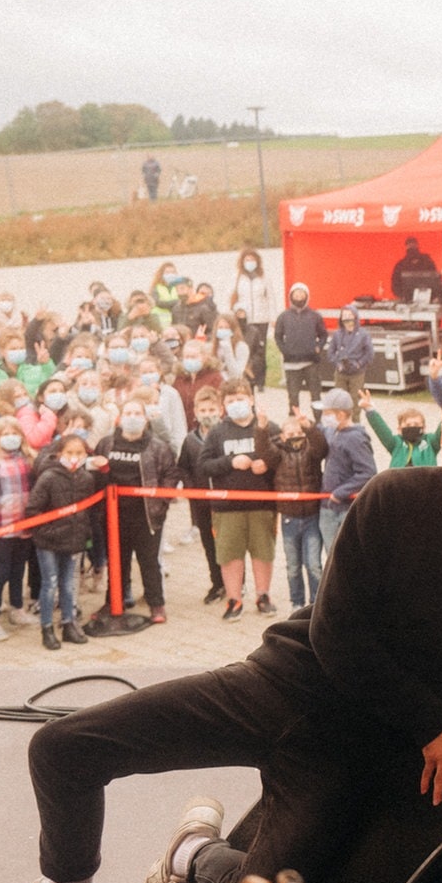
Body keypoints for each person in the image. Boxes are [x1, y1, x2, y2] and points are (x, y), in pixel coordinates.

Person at [0, 373, 442, 883]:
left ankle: (189, 855)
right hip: (278, 684)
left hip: (354, 745)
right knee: (62, 747)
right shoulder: (394, 496)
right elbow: (334, 632)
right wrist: (433, 722)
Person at [198, 379, 282, 620]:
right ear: (223, 405)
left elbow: (283, 458)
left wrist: (267, 464)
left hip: (263, 504)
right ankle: (234, 600)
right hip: (227, 508)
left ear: (251, 400)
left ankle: (263, 595)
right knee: (230, 554)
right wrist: (230, 462)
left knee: (263, 552)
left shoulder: (268, 427)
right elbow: (203, 466)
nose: (237, 404)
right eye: (231, 400)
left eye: (241, 399)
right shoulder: (217, 432)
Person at [95, 397, 178, 624]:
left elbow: (171, 475)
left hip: (147, 516)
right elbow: (96, 473)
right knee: (117, 561)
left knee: (149, 561)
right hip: (114, 516)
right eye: (128, 413)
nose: (132, 418)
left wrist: (161, 503)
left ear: (145, 419)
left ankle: (156, 604)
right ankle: (114, 601)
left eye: (137, 414)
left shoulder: (158, 447)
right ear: (120, 419)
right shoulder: (106, 443)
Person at [25, 435, 98, 650]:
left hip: (73, 539)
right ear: (59, 455)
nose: (74, 458)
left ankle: (68, 623)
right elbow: (33, 510)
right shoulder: (48, 477)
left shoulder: (86, 479)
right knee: (50, 584)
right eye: (69, 453)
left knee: (68, 584)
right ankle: (46, 627)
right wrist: (46, 531)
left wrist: (84, 534)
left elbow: (89, 511)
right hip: (48, 541)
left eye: (79, 453)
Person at [0, 417, 39, 638]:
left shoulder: (27, 460)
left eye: (14, 433)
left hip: (25, 525)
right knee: (0, 571)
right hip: (2, 526)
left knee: (18, 569)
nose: (10, 437)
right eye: (4, 434)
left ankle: (17, 608)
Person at [271, 413, 328, 614]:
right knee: (293, 565)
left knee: (313, 564)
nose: (295, 435)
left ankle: (316, 603)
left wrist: (310, 427)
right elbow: (264, 452)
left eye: (299, 432)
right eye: (290, 433)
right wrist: (261, 429)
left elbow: (321, 447)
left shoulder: (310, 451)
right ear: (282, 436)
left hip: (312, 515)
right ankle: (296, 602)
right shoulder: (278, 452)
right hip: (289, 517)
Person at [179, 388, 226, 605]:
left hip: (225, 502)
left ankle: (235, 584)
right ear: (195, 412)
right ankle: (216, 583)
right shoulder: (190, 440)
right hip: (202, 502)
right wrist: (192, 491)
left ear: (220, 410)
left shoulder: (227, 435)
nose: (207, 413)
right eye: (203, 409)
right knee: (209, 544)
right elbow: (184, 468)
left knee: (228, 544)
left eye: (212, 409)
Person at [315, 388, 376, 550]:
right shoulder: (331, 431)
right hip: (327, 507)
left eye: (327, 413)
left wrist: (341, 492)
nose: (324, 418)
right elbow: (319, 430)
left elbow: (368, 472)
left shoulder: (355, 438)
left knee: (345, 555)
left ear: (341, 415)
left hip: (344, 509)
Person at [273, 282, 328, 415]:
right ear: (291, 296)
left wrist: (318, 347)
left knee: (315, 394)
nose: (299, 296)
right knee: (293, 396)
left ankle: (318, 421)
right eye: (296, 294)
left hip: (311, 362)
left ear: (306, 296)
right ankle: (294, 422)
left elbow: (323, 335)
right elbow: (278, 336)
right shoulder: (283, 316)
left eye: (301, 294)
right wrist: (285, 351)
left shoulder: (315, 316)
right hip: (291, 363)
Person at [229, 248, 276, 391]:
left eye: (252, 259)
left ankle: (261, 381)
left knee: (260, 350)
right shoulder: (237, 277)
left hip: (261, 319)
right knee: (245, 349)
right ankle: (246, 377)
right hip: (244, 320)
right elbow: (232, 297)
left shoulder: (264, 277)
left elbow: (271, 298)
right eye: (247, 260)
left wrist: (273, 317)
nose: (250, 262)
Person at [326, 307, 373, 399]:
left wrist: (359, 364)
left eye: (350, 315)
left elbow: (369, 353)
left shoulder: (363, 334)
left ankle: (355, 414)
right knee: (340, 399)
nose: (347, 318)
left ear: (355, 317)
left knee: (355, 399)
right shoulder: (337, 334)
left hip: (357, 373)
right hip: (341, 372)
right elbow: (330, 352)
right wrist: (337, 363)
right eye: (344, 315)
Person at [388, 237, 442, 303]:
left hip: (427, 299)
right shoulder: (400, 265)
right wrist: (402, 296)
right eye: (410, 245)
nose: (412, 247)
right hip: (408, 300)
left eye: (413, 245)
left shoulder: (427, 262)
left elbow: (436, 280)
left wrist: (435, 296)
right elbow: (395, 285)